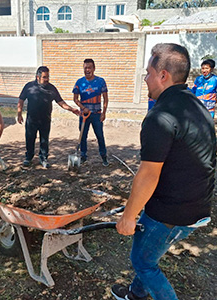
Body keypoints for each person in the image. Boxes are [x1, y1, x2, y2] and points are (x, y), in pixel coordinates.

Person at [111, 43, 216, 300]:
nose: (145, 79)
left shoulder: (160, 117)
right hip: (198, 203)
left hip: (173, 211)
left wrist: (128, 216)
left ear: (163, 75)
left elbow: (148, 175)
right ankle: (136, 294)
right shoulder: (198, 106)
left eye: (148, 73)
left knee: (143, 262)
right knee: (149, 253)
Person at [17, 66, 80, 168]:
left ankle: (43, 158)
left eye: (48, 77)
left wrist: (72, 109)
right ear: (38, 77)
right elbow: (21, 100)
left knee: (44, 140)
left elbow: (61, 102)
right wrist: (19, 114)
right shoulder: (29, 87)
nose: (47, 79)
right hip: (31, 119)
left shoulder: (52, 88)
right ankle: (28, 157)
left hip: (45, 120)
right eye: (44, 77)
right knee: (29, 138)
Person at [72, 58, 109, 166]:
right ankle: (83, 155)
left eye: (89, 67)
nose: (87, 70)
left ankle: (104, 156)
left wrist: (104, 112)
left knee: (100, 136)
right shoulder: (79, 82)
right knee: (83, 136)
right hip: (84, 115)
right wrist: (83, 108)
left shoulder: (100, 81)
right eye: (85, 68)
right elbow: (75, 99)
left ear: (94, 68)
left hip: (97, 115)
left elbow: (105, 98)